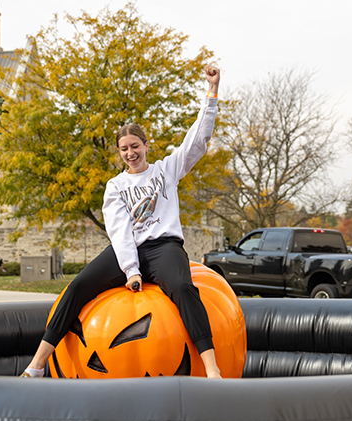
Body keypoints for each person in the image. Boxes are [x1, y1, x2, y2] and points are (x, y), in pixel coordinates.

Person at [21, 65, 222, 379]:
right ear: (119, 152)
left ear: (146, 145)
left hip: (163, 247)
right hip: (126, 249)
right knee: (76, 287)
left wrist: (211, 93)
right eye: (124, 149)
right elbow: (119, 229)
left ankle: (211, 369)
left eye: (136, 146)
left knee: (184, 287)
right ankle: (36, 364)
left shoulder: (166, 170)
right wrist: (131, 270)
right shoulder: (115, 186)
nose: (131, 153)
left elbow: (197, 140)